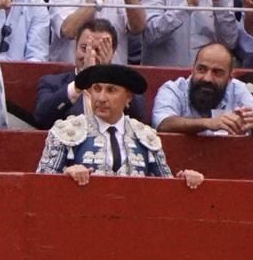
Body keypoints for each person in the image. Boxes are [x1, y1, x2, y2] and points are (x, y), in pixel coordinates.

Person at [36, 61, 202, 188]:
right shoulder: (66, 132)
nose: (101, 98)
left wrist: (184, 181)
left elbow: (166, 189)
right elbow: (41, 185)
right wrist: (65, 176)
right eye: (97, 89)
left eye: (111, 90)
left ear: (128, 97)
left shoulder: (146, 137)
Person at [153, 41, 253, 137]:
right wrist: (209, 123)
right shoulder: (173, 89)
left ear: (230, 77)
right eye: (201, 69)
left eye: (217, 72)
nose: (207, 78)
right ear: (192, 69)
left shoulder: (237, 89)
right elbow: (162, 123)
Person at [32, 19, 139, 129]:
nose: (90, 54)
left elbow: (139, 116)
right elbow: (41, 117)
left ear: (112, 53)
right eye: (84, 48)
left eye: (99, 50)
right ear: (75, 48)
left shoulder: (125, 85)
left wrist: (108, 74)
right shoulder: (52, 83)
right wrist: (81, 82)